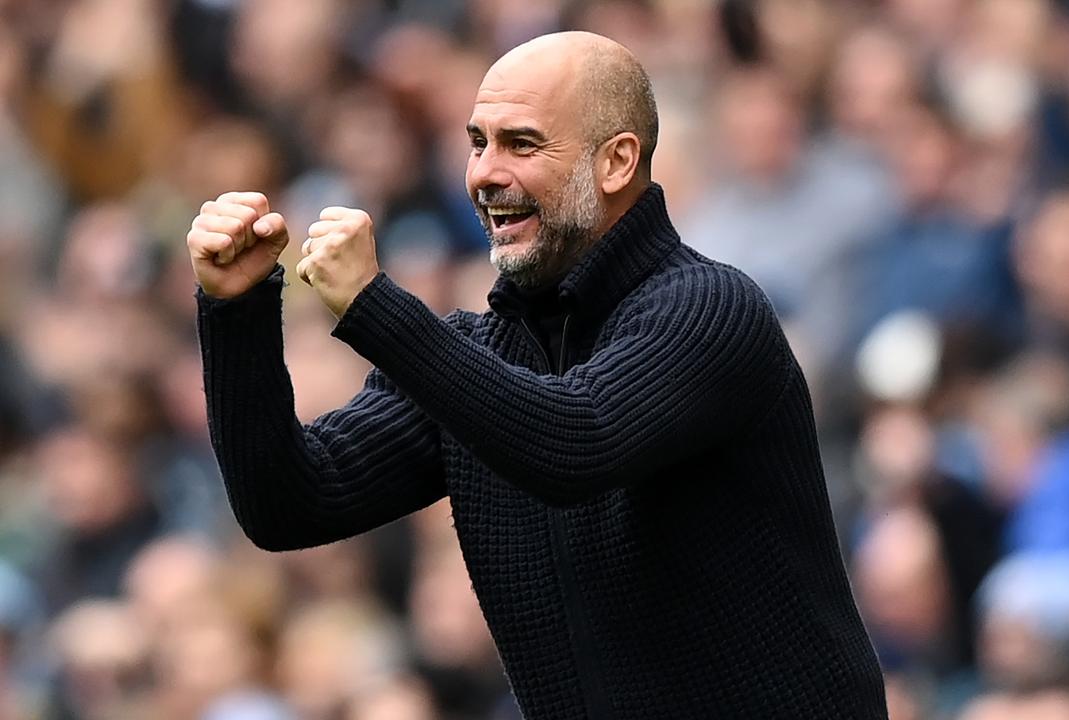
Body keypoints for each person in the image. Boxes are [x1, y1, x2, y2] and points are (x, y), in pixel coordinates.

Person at [186, 31, 887, 719]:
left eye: (521, 143)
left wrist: (375, 307)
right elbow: (288, 503)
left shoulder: (710, 309)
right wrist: (236, 308)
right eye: (476, 142)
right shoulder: (470, 356)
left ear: (615, 163)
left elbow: (574, 441)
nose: (484, 173)